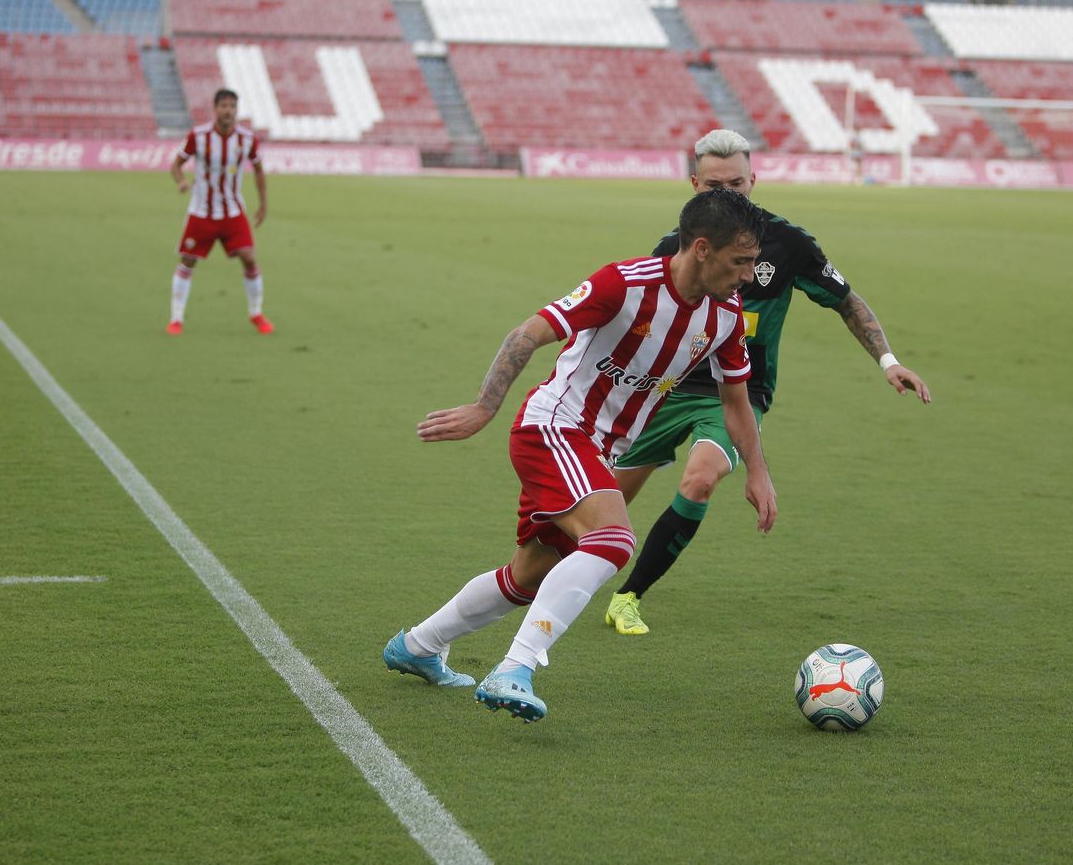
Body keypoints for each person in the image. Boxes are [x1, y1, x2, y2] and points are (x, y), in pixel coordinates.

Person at [382, 189, 778, 724]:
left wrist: (757, 471)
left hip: (596, 449)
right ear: (702, 248)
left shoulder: (726, 316)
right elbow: (529, 332)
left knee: (526, 578)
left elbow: (735, 401)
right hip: (553, 428)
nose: (750, 275)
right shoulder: (624, 283)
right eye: (742, 261)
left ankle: (418, 645)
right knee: (613, 540)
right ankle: (516, 668)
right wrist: (484, 406)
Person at [602, 129, 931, 636]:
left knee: (701, 478)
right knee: (605, 506)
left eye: (737, 183)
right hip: (667, 389)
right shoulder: (678, 246)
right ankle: (537, 577)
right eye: (715, 185)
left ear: (754, 179)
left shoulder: (789, 245)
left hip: (738, 393)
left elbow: (846, 300)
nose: (727, 195)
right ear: (694, 185)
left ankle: (629, 596)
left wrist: (888, 360)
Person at [166, 88, 271, 336]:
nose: (228, 111)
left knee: (249, 257)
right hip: (202, 211)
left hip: (233, 212)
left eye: (232, 106)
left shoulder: (247, 139)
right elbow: (176, 165)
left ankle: (256, 313)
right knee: (188, 261)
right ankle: (176, 318)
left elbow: (258, 170)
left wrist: (263, 204)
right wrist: (181, 181)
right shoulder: (199, 136)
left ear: (237, 110)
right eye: (224, 106)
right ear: (215, 109)